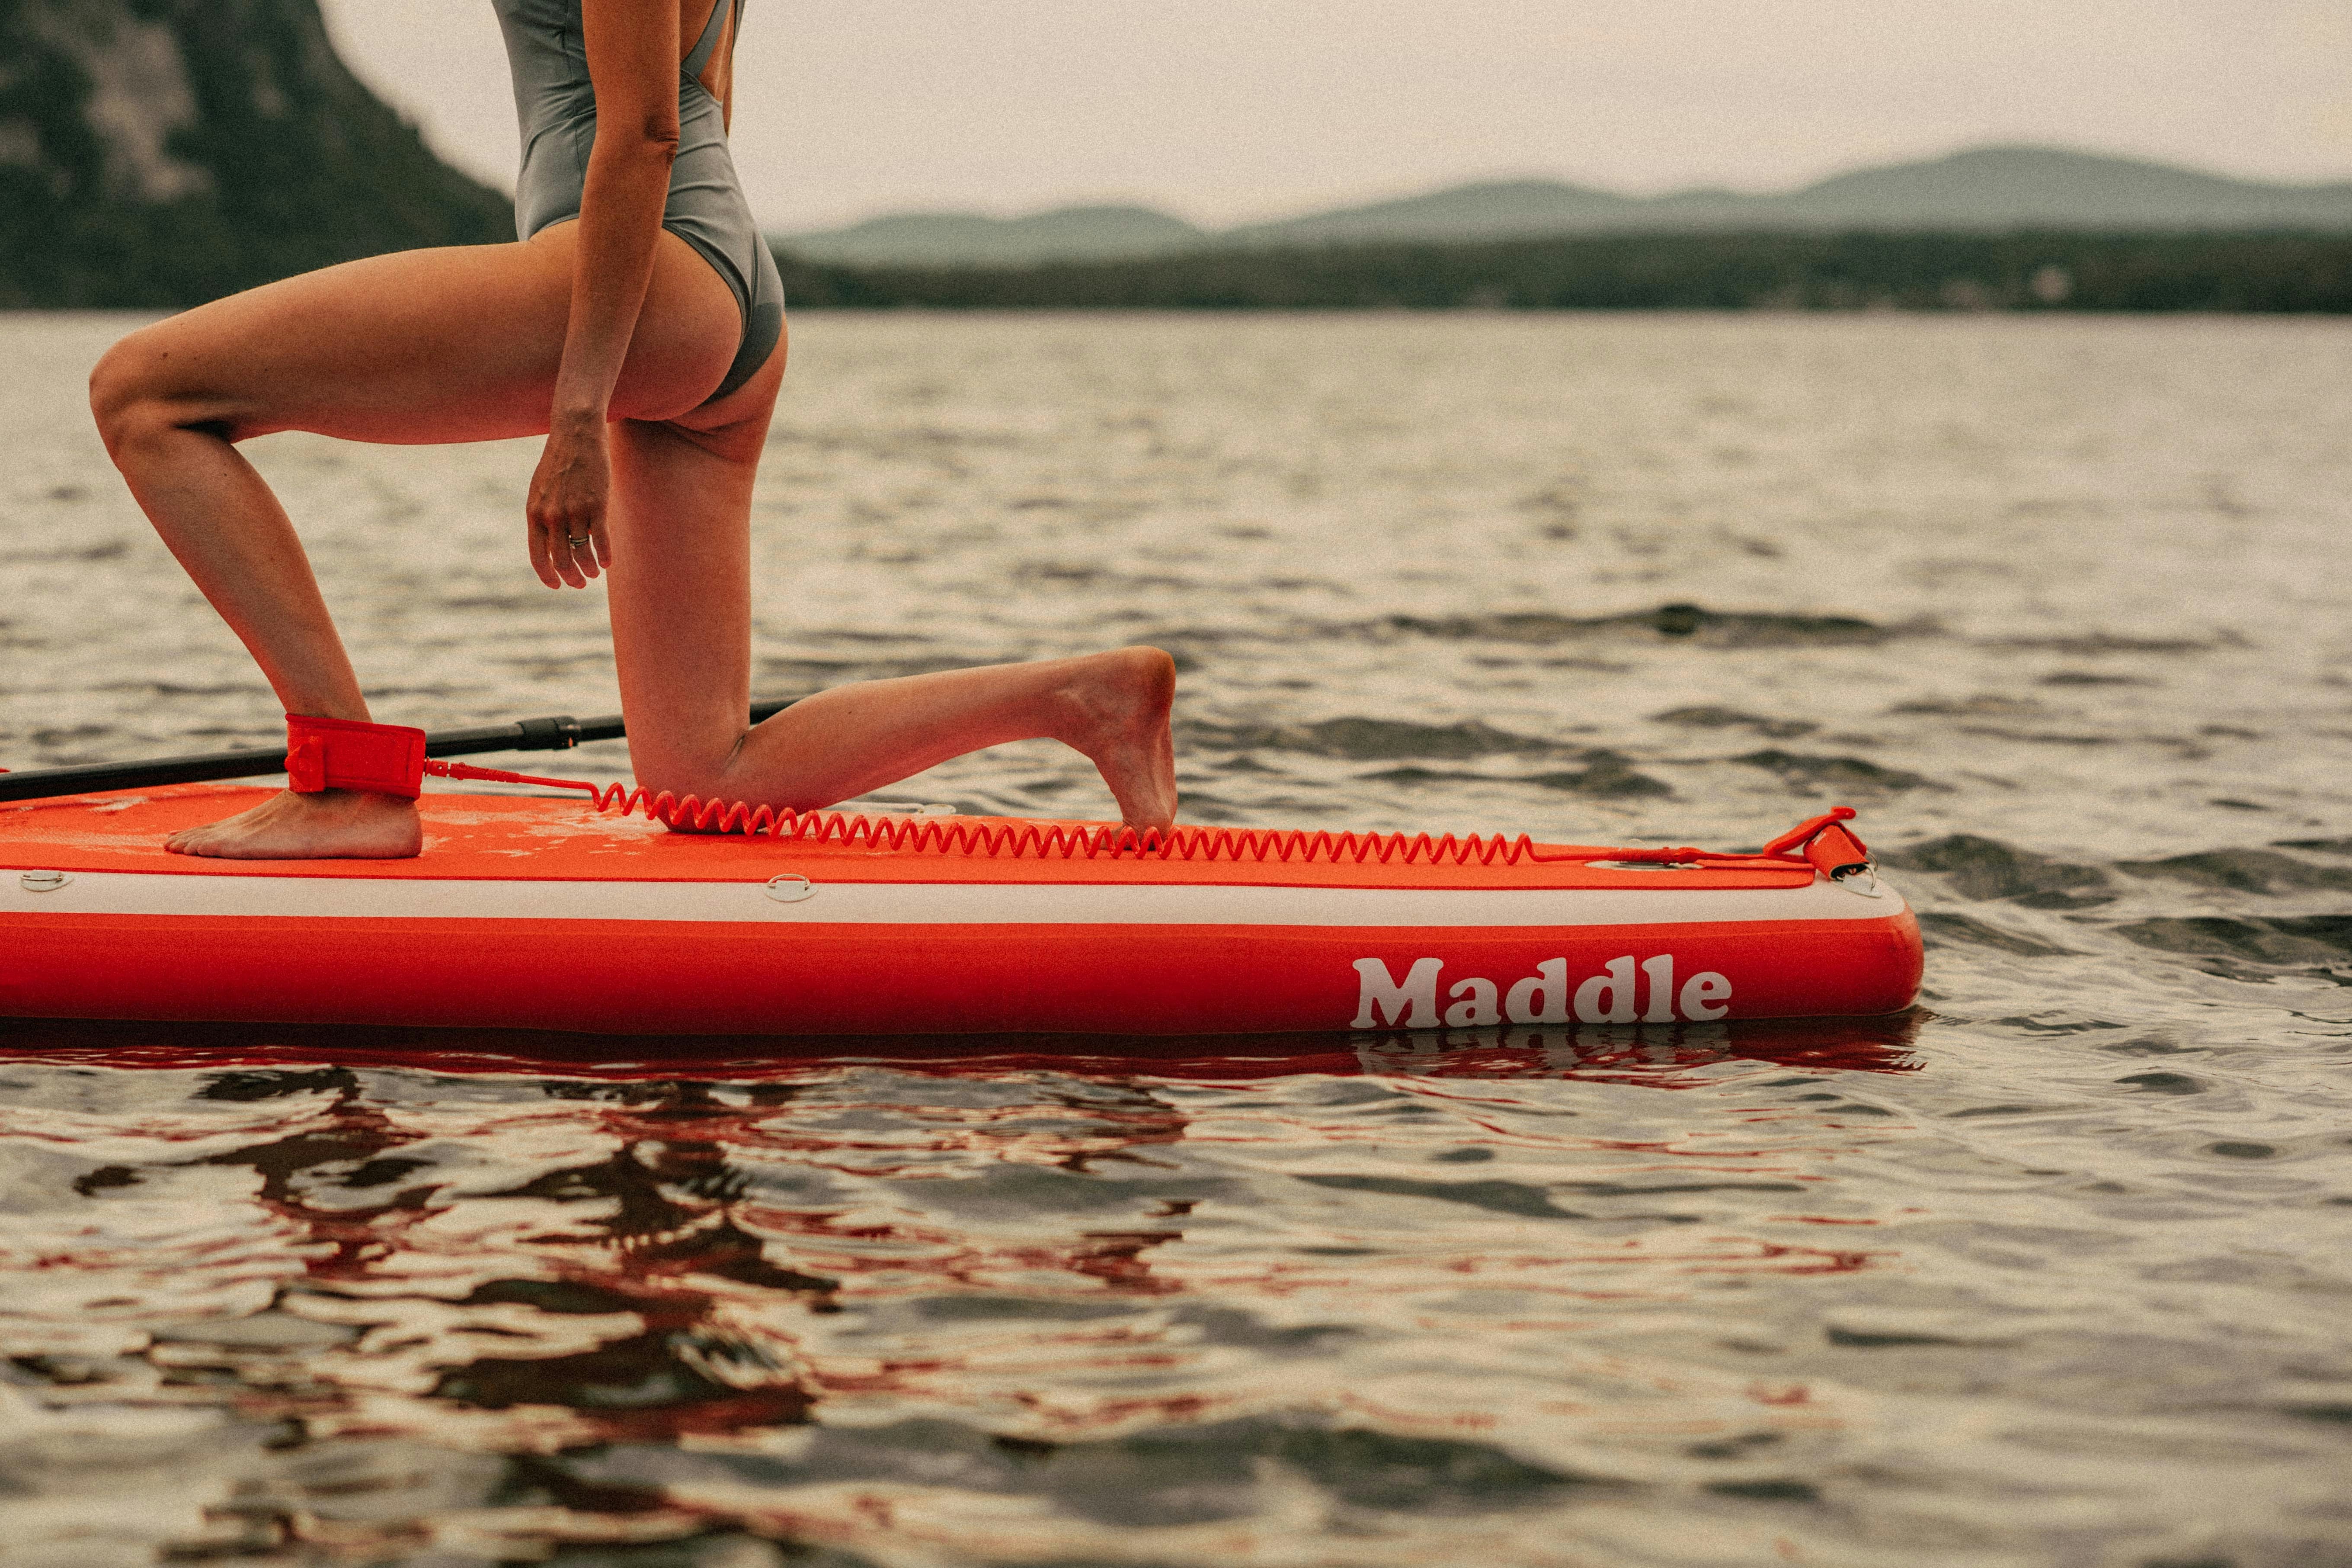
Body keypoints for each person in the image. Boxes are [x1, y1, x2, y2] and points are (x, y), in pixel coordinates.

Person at [84, 0, 1177, 860]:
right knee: (706, 777)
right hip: (723, 294)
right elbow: (703, 97)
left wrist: (578, 412)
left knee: (145, 393)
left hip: (646, 277)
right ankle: (1080, 697)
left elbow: (646, 129)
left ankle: (353, 782)